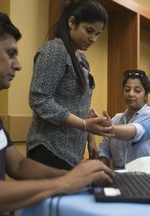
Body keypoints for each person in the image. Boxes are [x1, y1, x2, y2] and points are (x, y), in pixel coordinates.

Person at [0, 10, 114, 216]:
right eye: (10, 54)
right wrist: (63, 182)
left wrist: (76, 176)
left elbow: (17, 165)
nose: (18, 65)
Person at [26, 0, 113, 171]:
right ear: (71, 22)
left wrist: (90, 139)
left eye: (97, 34)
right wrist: (84, 125)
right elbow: (39, 99)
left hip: (73, 152)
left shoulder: (82, 58)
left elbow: (80, 103)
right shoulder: (55, 50)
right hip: (49, 148)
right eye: (89, 31)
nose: (93, 39)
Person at [97, 70, 150, 169]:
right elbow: (104, 151)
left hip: (148, 178)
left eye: (137, 91)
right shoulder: (116, 119)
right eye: (127, 90)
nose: (130, 94)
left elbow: (137, 130)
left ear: (146, 95)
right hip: (120, 179)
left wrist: (111, 129)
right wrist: (102, 170)